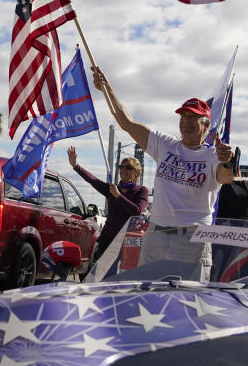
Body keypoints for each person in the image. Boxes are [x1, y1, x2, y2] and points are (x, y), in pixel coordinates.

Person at [90, 66, 235, 280]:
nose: (185, 121)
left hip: (192, 240)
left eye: (192, 117)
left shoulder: (213, 156)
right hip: (156, 236)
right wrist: (107, 89)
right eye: (182, 116)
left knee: (189, 304)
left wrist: (227, 161)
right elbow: (126, 123)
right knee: (150, 300)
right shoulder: (166, 145)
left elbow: (226, 177)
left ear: (205, 125)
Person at [66, 146, 149, 277]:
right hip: (108, 238)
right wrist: (76, 166)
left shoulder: (141, 190)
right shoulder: (112, 188)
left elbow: (137, 211)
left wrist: (118, 196)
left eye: (128, 167)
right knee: (106, 274)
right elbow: (93, 180)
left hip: (128, 241)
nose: (123, 170)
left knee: (127, 276)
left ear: (136, 172)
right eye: (121, 167)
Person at [212, 157, 248, 281]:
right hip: (245, 247)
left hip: (218, 246)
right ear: (238, 168)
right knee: (243, 286)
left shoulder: (216, 187)